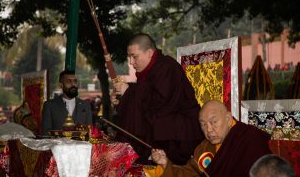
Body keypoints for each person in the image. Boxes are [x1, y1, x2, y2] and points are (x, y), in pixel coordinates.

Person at [111, 33, 204, 165]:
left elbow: (160, 105)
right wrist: (122, 99)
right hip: (163, 125)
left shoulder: (167, 67)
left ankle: (138, 155)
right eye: (129, 57)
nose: (131, 63)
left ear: (149, 52)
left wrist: (129, 92)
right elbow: (144, 97)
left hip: (182, 132)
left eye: (134, 57)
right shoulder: (148, 71)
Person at [151, 100, 272, 177]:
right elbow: (188, 173)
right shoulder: (204, 147)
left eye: (213, 121)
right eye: (203, 124)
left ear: (228, 119)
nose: (208, 129)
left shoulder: (249, 137)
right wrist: (165, 163)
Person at [42, 70, 92, 135]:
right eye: (69, 82)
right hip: (58, 144)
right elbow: (46, 132)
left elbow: (90, 131)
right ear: (61, 85)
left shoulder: (86, 105)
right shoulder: (49, 105)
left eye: (75, 81)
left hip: (82, 145)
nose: (73, 84)